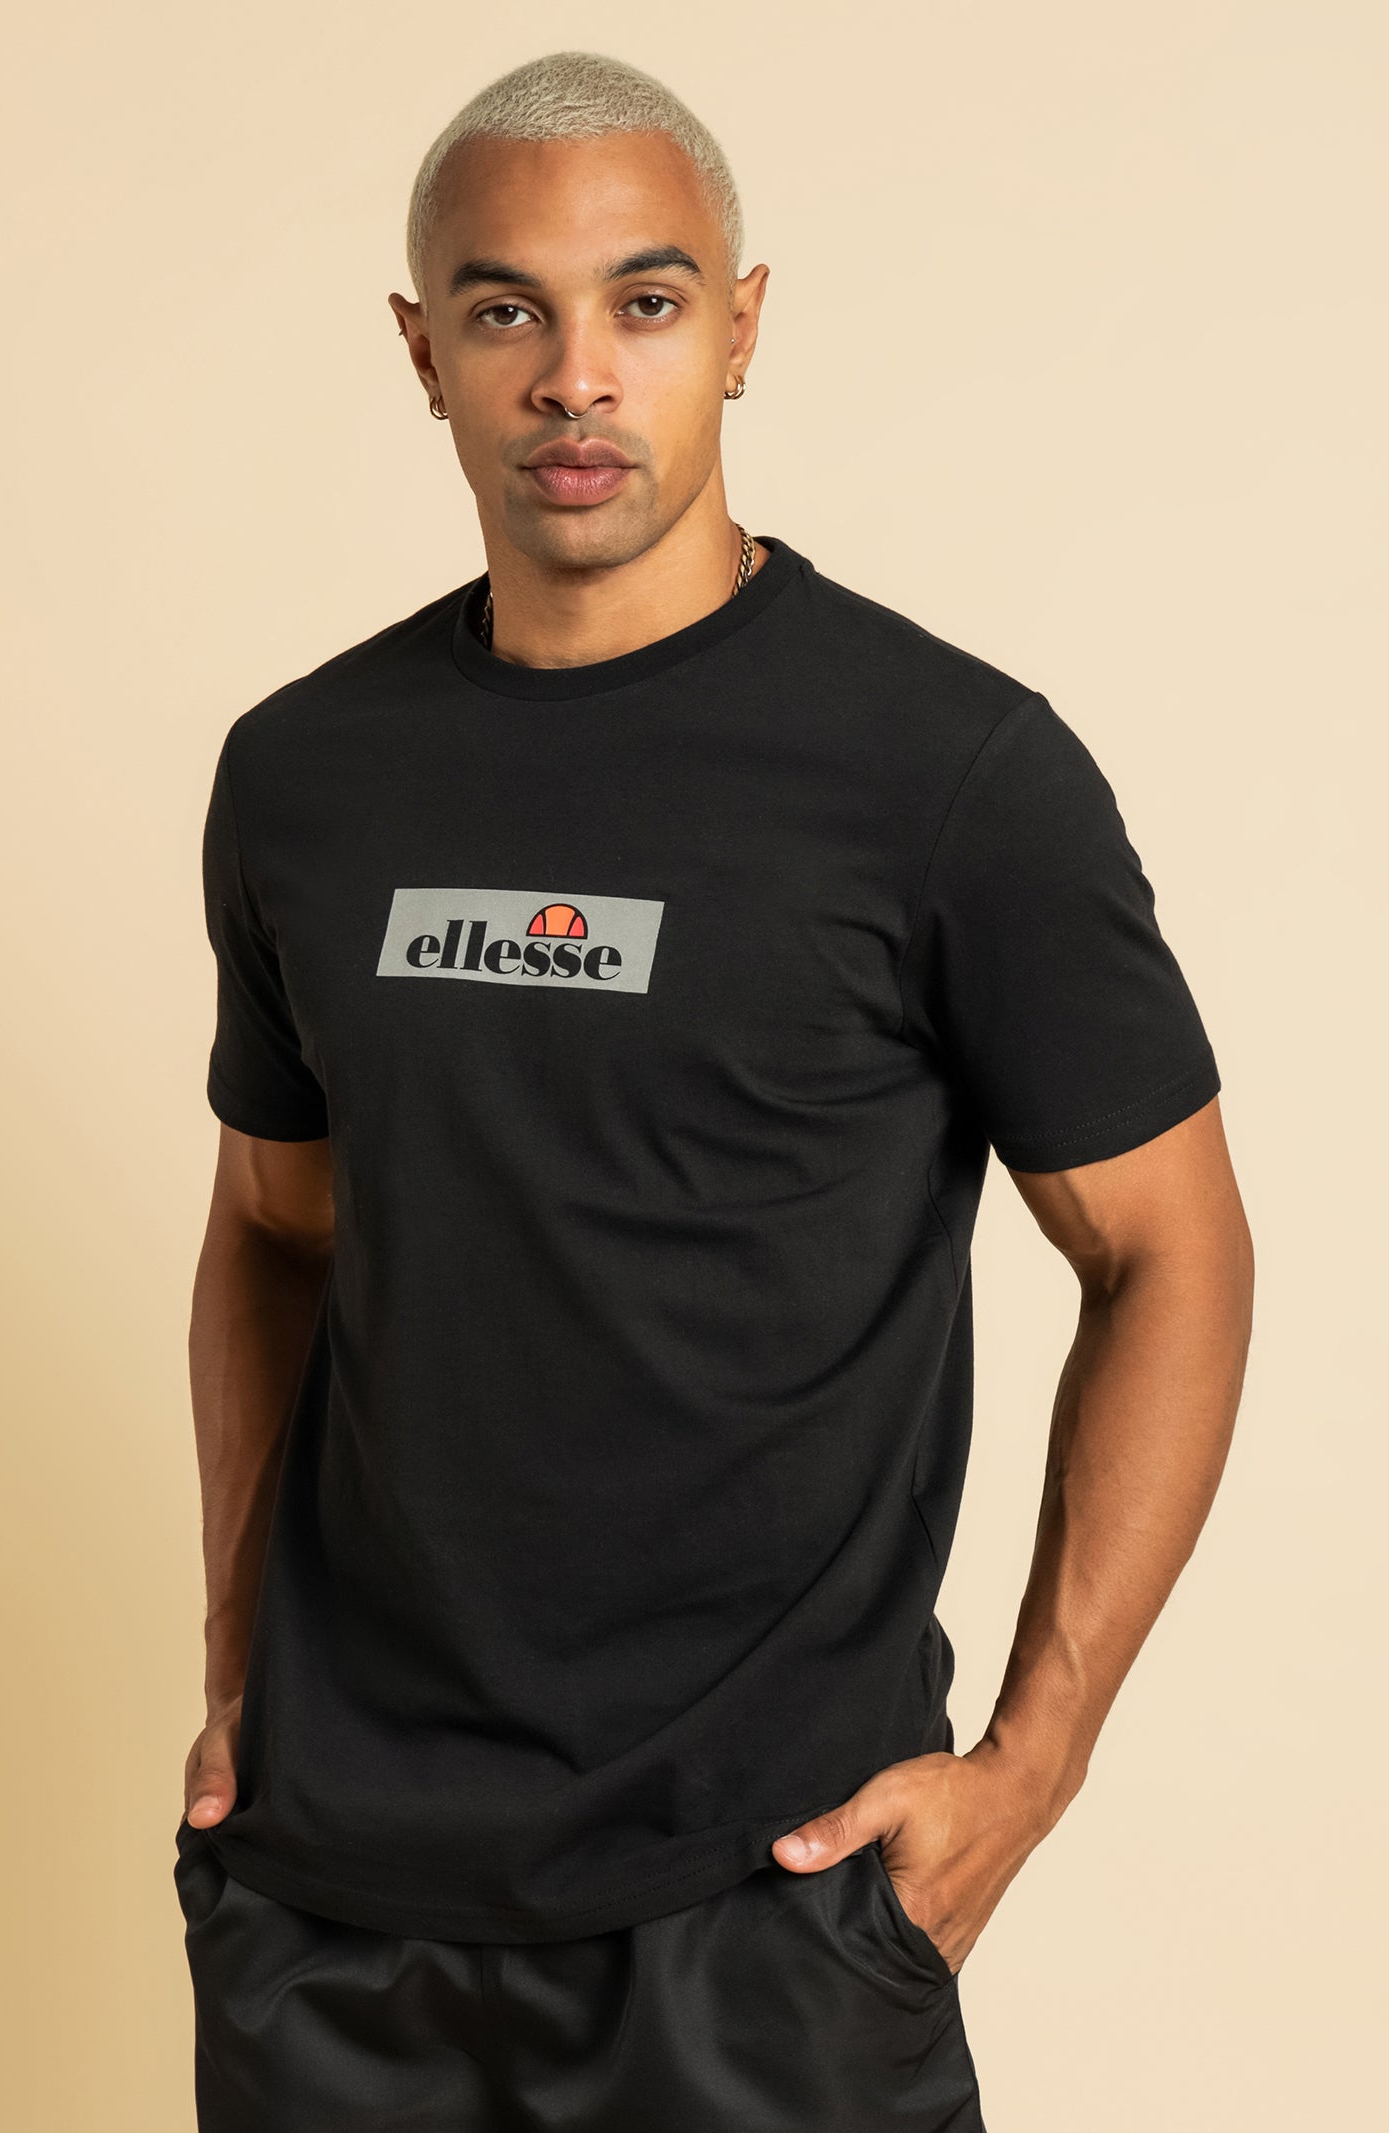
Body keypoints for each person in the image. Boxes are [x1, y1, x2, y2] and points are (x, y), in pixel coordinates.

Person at [171, 47, 1254, 2133]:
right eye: (506, 308)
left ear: (740, 327)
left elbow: (1170, 1250)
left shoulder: (949, 774)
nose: (576, 375)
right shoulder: (302, 775)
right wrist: (237, 1656)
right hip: (336, 1902)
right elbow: (270, 1226)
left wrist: (1031, 1760)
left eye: (646, 302)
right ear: (422, 351)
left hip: (767, 1906)